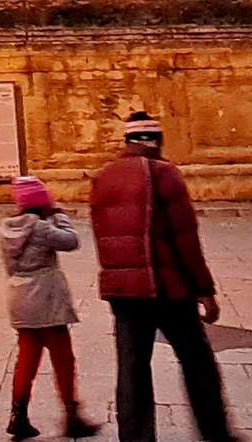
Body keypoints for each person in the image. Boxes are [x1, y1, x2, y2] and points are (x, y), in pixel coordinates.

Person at [89, 113, 241, 442]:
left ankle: (136, 438)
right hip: (167, 289)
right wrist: (204, 289)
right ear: (156, 140)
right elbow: (185, 238)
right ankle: (215, 432)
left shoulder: (103, 178)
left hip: (123, 292)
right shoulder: (164, 174)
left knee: (132, 369)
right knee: (197, 360)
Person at [2, 176, 100, 440]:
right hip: (46, 299)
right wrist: (59, 214)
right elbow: (71, 241)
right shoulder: (41, 228)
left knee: (27, 359)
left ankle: (18, 415)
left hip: (20, 298)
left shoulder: (8, 228)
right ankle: (72, 416)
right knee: (63, 358)